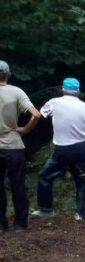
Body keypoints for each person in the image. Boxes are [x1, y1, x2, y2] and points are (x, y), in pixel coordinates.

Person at [31, 77, 85, 222]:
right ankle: (81, 215)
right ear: (78, 91)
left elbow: (38, 115)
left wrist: (25, 129)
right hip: (80, 149)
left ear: (63, 89)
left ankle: (46, 210)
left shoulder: (54, 102)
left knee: (45, 176)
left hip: (62, 150)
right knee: (82, 180)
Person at [0, 60, 41, 232]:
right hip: (14, 146)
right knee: (18, 185)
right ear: (8, 74)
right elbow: (36, 115)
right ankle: (20, 224)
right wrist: (24, 129)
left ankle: (1, 224)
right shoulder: (17, 91)